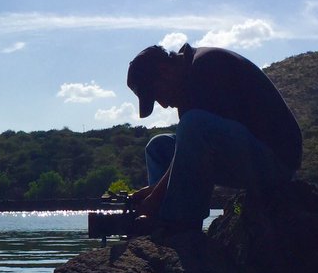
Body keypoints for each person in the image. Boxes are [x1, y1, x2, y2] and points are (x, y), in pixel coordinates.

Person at [125, 43, 302, 234]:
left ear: (165, 70)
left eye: (157, 94)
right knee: (159, 146)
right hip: (243, 154)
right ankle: (163, 217)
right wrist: (153, 192)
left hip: (275, 162)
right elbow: (184, 154)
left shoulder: (207, 66)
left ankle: (179, 224)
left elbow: (198, 136)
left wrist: (154, 198)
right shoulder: (186, 81)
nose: (163, 104)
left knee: (193, 125)